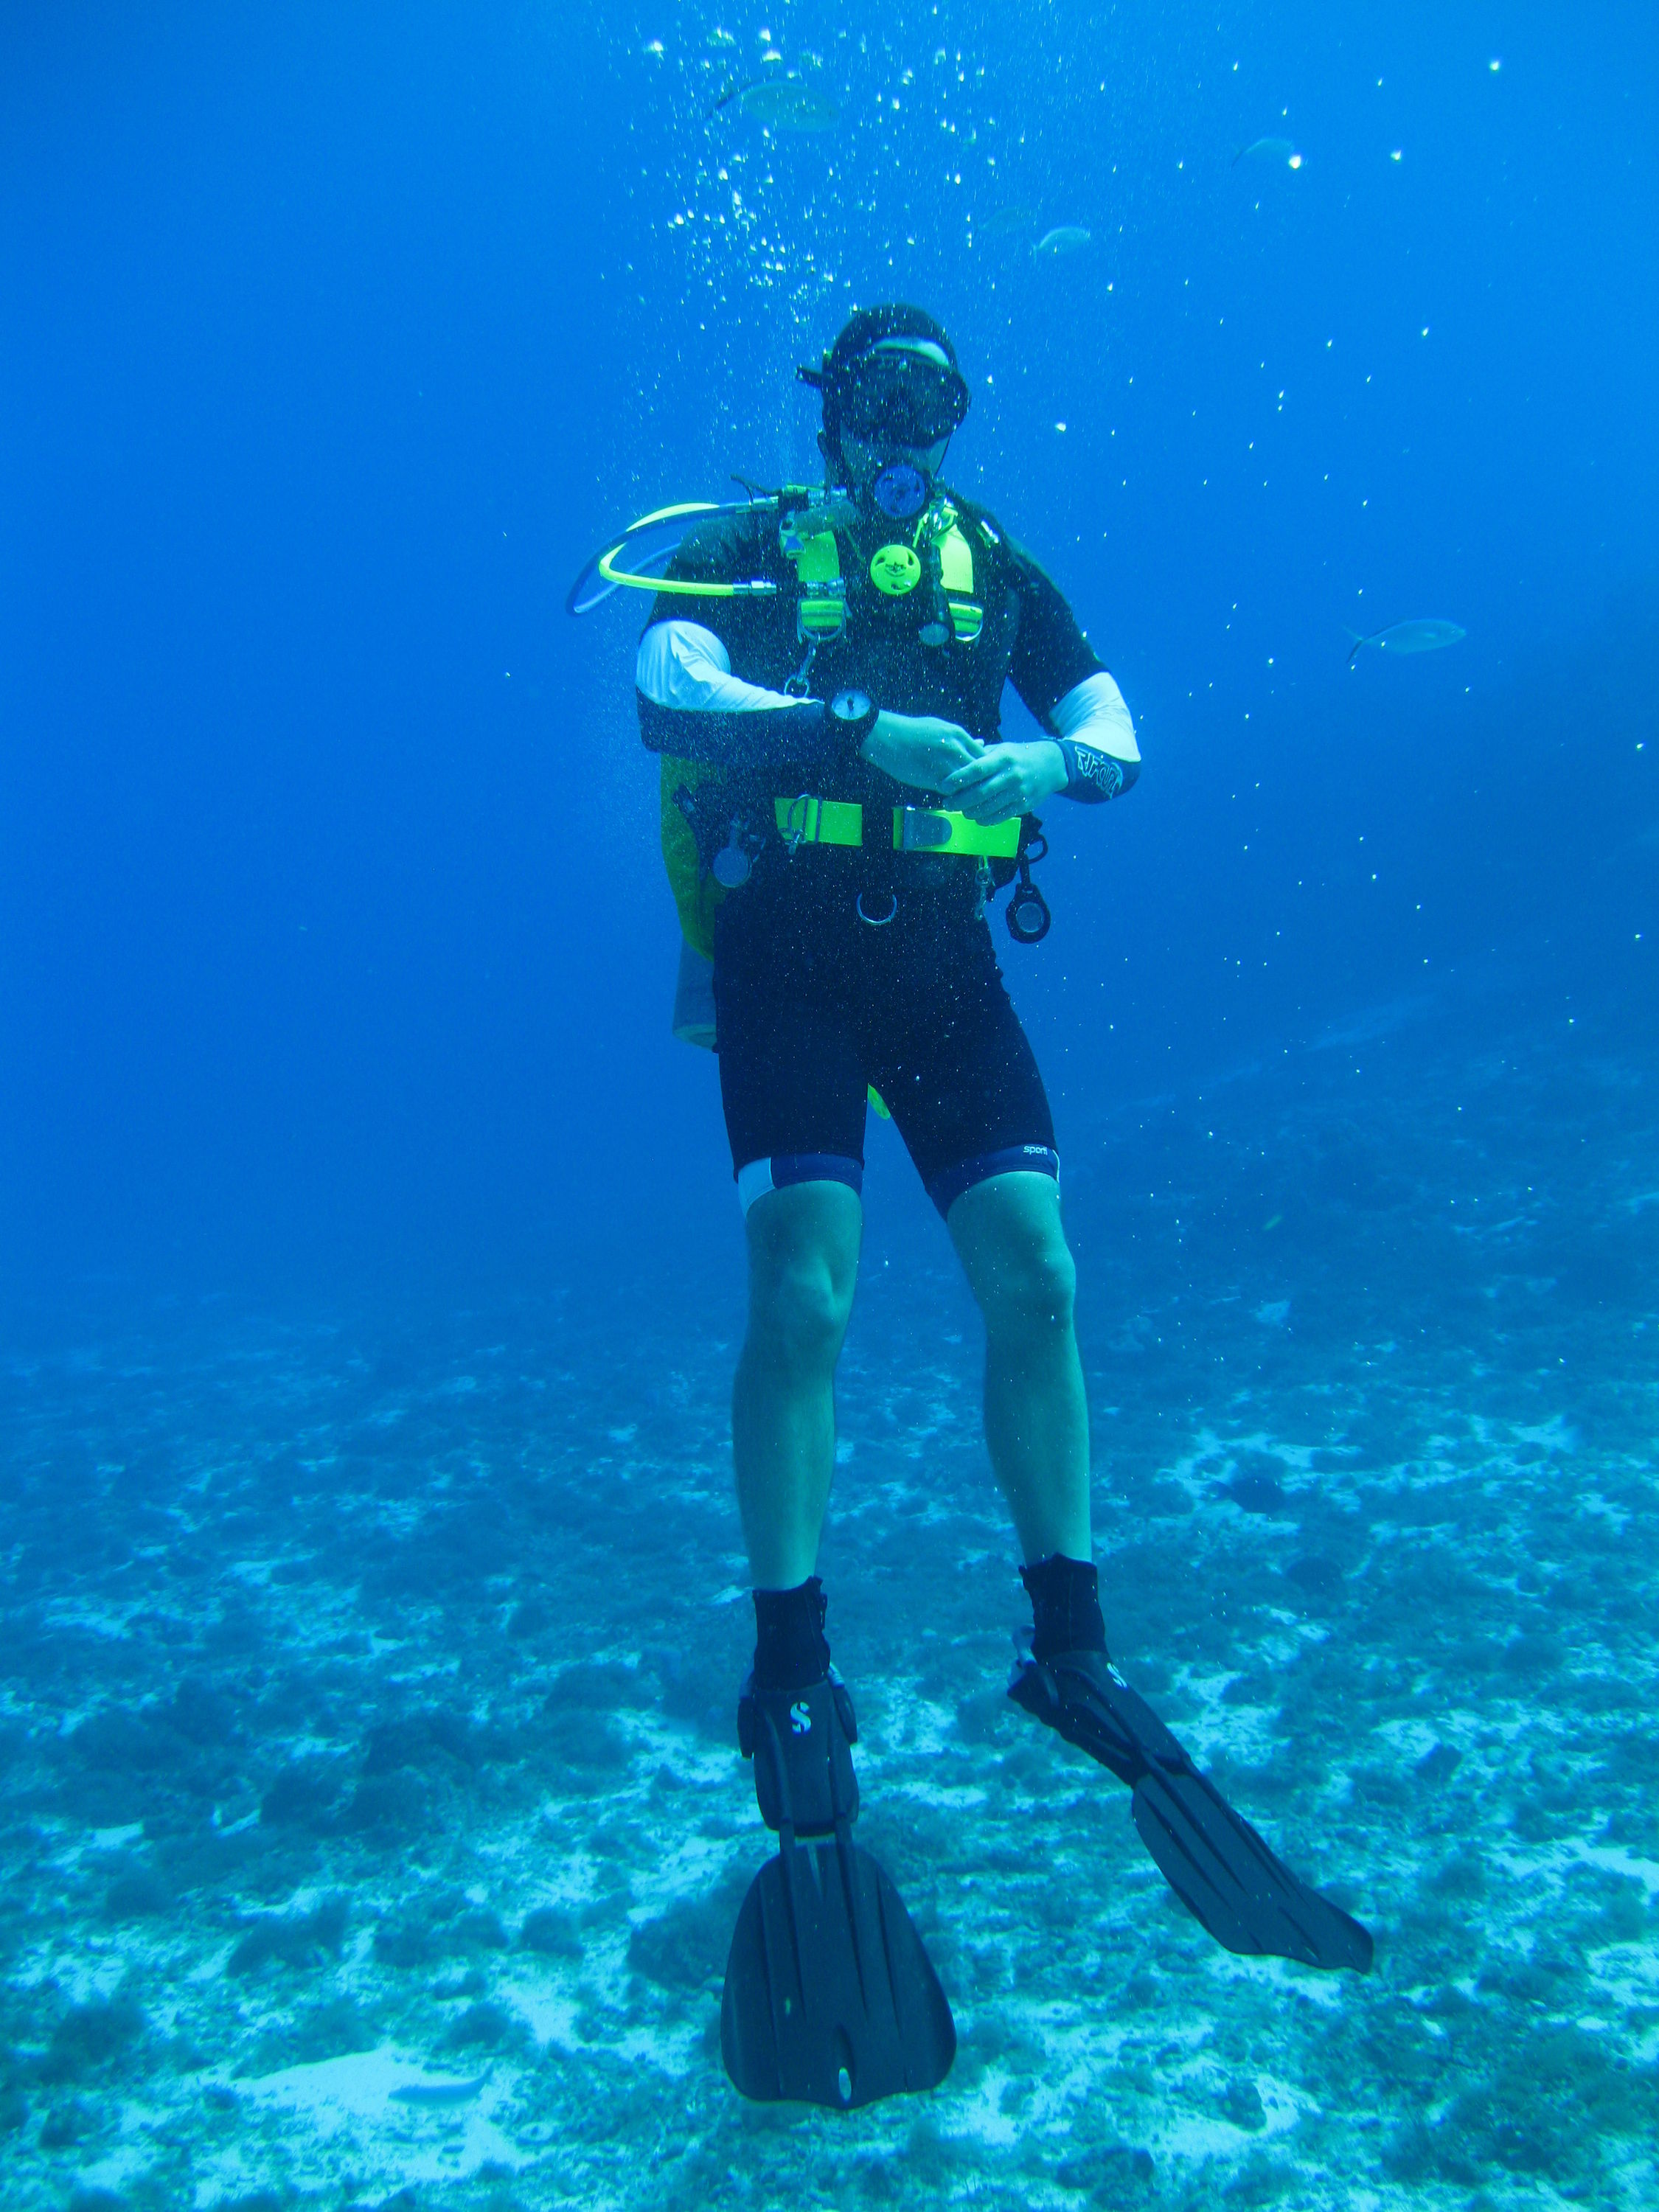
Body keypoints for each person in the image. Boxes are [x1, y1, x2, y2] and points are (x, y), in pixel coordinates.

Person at [632, 305, 1370, 2110]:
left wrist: (1047, 766)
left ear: (956, 419)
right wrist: (846, 729)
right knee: (804, 1293)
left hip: (948, 973)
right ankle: (793, 1674)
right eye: (876, 398)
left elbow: (1114, 722)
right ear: (828, 415)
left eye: (932, 402)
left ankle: (1070, 1643)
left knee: (1035, 1280)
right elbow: (666, 689)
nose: (904, 430)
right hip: (795, 962)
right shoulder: (743, 557)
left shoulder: (998, 568)